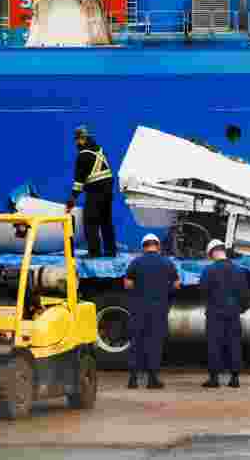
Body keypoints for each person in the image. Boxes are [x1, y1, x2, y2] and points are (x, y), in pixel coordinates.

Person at [124, 233, 180, 390]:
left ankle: (133, 379)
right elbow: (176, 285)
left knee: (136, 342)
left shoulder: (135, 262)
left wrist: (139, 290)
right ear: (158, 246)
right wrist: (164, 291)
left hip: (138, 309)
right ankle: (152, 379)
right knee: (154, 343)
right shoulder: (167, 263)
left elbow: (127, 284)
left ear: (143, 247)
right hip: (158, 310)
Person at [200, 239, 250, 389]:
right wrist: (240, 309)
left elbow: (203, 290)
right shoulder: (238, 270)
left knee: (214, 344)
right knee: (234, 343)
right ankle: (234, 379)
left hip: (215, 312)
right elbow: (245, 294)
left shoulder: (209, 270)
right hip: (233, 312)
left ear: (213, 253)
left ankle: (214, 379)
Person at [66, 125, 117, 258]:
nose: (76, 143)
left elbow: (78, 182)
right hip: (108, 190)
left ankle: (94, 252)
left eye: (77, 140)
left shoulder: (83, 156)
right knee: (106, 221)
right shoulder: (99, 150)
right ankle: (111, 251)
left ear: (81, 139)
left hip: (95, 191)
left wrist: (72, 199)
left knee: (91, 221)